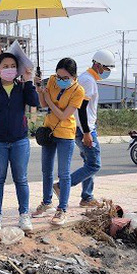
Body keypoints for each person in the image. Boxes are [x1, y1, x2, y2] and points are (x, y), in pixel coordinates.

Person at [0, 52, 39, 232]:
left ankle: (24, 215)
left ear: (17, 68)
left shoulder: (22, 88)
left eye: (12, 66)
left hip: (20, 140)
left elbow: (34, 102)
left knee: (21, 179)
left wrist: (29, 81)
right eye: (5, 66)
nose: (9, 69)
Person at [33, 58, 85, 226]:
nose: (60, 80)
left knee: (63, 173)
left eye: (65, 78)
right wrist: (39, 89)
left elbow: (64, 116)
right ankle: (47, 202)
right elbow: (42, 104)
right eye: (58, 76)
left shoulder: (79, 91)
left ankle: (62, 209)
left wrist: (48, 99)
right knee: (46, 170)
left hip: (66, 133)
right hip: (49, 131)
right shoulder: (53, 81)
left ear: (73, 76)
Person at [65, 49, 115, 207]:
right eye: (107, 69)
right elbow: (81, 109)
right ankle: (63, 186)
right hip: (85, 129)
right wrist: (87, 132)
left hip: (84, 128)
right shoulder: (88, 81)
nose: (107, 72)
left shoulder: (87, 79)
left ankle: (87, 197)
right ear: (98, 65)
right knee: (94, 164)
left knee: (88, 162)